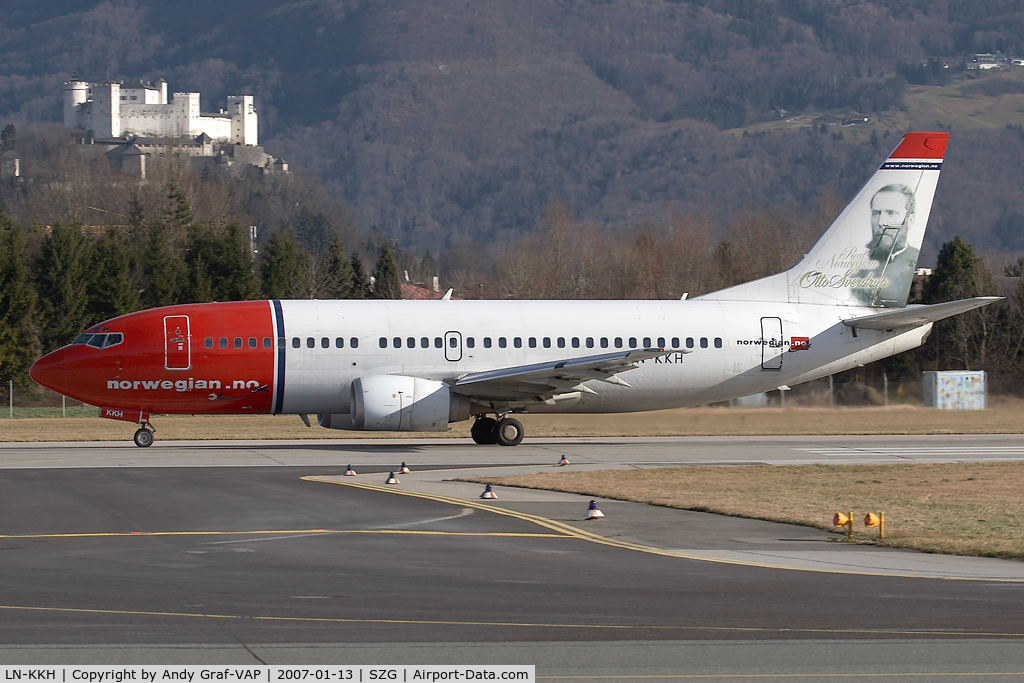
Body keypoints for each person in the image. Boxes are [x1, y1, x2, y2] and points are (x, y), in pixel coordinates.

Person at [854, 184, 921, 307]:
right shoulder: (857, 265)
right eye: (876, 213)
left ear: (910, 220)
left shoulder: (913, 258)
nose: (881, 222)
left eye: (891, 213)